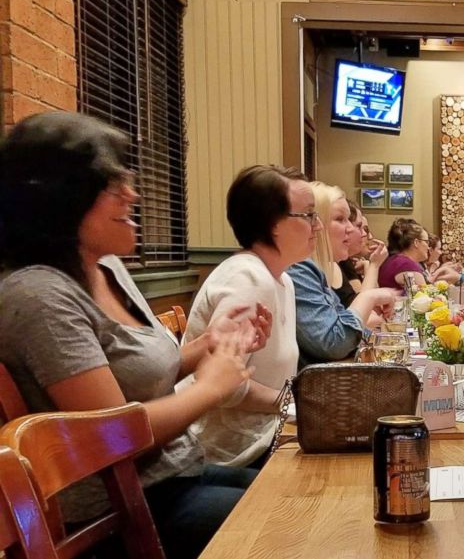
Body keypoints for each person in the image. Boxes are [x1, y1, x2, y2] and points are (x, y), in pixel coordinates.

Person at [0, 112, 270, 559]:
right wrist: (211, 387)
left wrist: (209, 345)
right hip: (120, 515)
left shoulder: (108, 269)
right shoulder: (38, 294)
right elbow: (109, 437)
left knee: (311, 492)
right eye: (112, 184)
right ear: (58, 196)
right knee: (299, 522)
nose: (133, 194)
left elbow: (134, 373)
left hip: (179, 478)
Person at [183, 165, 314, 469]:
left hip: (267, 435)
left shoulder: (282, 278)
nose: (316, 225)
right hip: (236, 452)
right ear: (272, 224)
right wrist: (298, 404)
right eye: (307, 215)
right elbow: (225, 388)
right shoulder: (248, 277)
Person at [289, 183, 395, 367]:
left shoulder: (317, 269)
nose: (351, 229)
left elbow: (353, 333)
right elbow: (335, 343)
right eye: (340, 219)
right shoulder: (299, 268)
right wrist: (371, 297)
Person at [378, 218, 430, 289]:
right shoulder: (407, 265)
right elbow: (425, 298)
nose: (428, 247)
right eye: (427, 242)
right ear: (416, 243)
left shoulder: (393, 260)